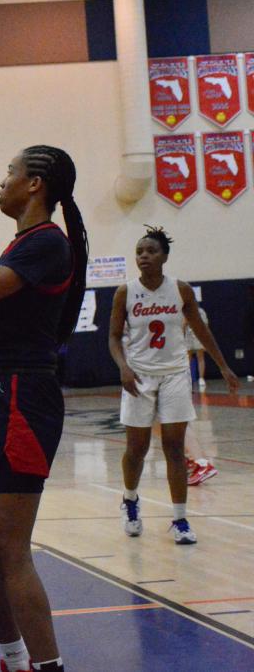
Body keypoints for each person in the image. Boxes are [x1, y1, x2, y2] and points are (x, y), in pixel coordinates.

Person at [0, 148, 90, 672]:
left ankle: (48, 664)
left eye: (10, 173)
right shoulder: (22, 244)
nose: (3, 181)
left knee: (9, 548)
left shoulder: (47, 243)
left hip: (21, 394)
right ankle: (13, 657)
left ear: (34, 185)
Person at [108, 227, 239, 545]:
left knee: (174, 448)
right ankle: (130, 500)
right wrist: (123, 366)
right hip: (140, 376)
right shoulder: (125, 292)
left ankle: (180, 519)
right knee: (136, 450)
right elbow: (113, 336)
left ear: (164, 256)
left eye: (151, 251)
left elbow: (201, 331)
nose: (144, 256)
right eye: (140, 251)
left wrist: (223, 366)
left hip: (175, 375)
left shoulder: (180, 290)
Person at [185, 304, 209, 390]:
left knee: (200, 356)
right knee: (188, 358)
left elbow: (205, 324)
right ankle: (187, 378)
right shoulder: (183, 311)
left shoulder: (201, 311)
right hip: (187, 335)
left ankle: (201, 378)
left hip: (198, 335)